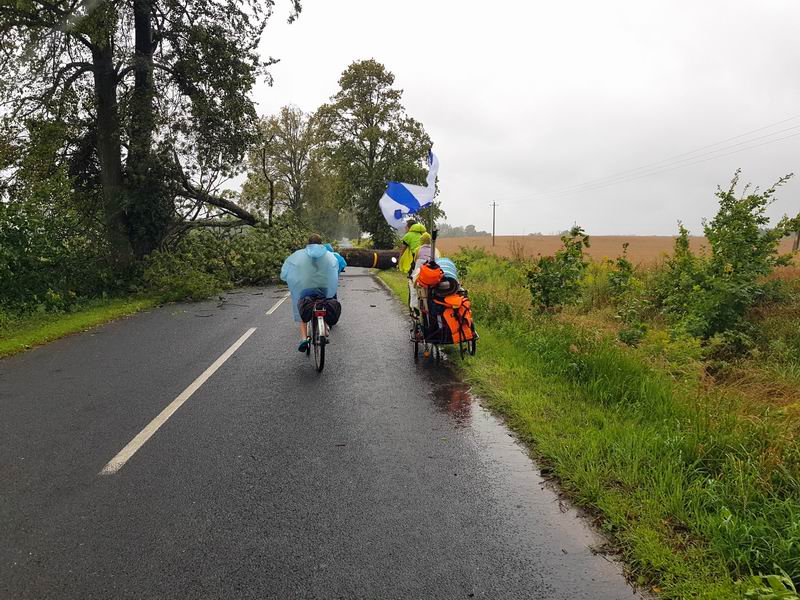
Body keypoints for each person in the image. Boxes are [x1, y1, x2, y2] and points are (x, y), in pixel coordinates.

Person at [280, 234, 340, 352]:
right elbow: (336, 267)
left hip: (305, 288)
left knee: (303, 310)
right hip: (324, 289)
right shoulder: (329, 255)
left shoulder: (298, 255)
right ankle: (326, 326)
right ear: (321, 243)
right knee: (324, 303)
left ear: (308, 243)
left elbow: (285, 272)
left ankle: (304, 339)